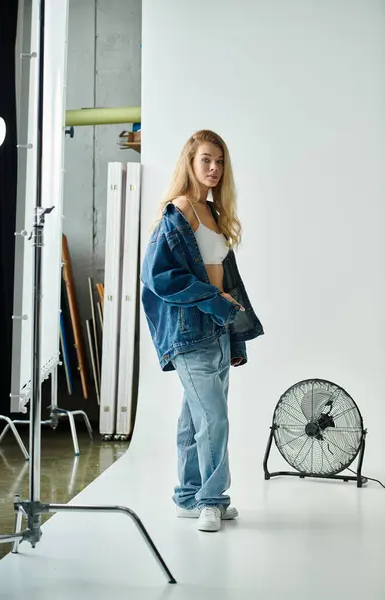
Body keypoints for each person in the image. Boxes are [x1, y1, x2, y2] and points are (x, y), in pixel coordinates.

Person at [141, 130, 264, 532]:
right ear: (190, 163)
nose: (214, 168)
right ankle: (211, 500)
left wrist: (231, 322)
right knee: (213, 418)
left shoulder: (212, 212)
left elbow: (224, 279)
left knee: (194, 417)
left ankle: (188, 495)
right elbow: (158, 276)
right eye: (206, 160)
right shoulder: (180, 211)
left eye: (220, 161)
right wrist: (212, 300)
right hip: (190, 330)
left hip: (217, 329)